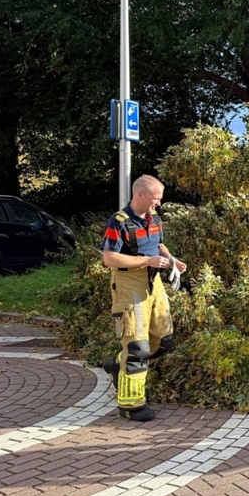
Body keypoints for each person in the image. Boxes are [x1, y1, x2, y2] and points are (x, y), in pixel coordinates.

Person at [99, 175, 187, 422]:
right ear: (140, 195)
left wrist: (172, 261)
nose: (158, 203)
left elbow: (159, 246)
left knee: (164, 341)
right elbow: (109, 259)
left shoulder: (154, 219)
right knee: (137, 349)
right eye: (155, 198)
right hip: (129, 285)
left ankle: (118, 363)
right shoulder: (118, 222)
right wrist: (146, 261)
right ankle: (131, 405)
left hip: (154, 283)